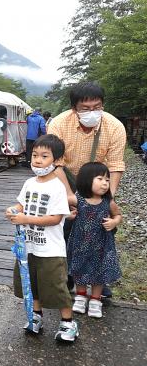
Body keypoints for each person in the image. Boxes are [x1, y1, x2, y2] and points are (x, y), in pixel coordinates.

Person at [48, 82, 126, 298]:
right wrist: (69, 195)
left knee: (102, 230)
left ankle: (99, 279)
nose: (92, 112)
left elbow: (116, 165)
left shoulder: (115, 126)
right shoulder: (59, 124)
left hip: (98, 181)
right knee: (66, 228)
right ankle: (69, 275)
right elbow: (55, 163)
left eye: (97, 106)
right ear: (74, 108)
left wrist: (107, 198)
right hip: (66, 177)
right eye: (85, 108)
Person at [5, 134, 78, 343]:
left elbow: (55, 219)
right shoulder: (29, 183)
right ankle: (36, 317)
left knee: (56, 288)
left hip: (51, 250)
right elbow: (20, 205)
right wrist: (12, 210)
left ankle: (68, 323)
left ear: (57, 161)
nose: (37, 160)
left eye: (44, 156)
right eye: (35, 155)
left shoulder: (57, 187)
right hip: (29, 246)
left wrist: (24, 217)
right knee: (32, 284)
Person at [67, 162, 122, 318]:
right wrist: (68, 213)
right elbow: (61, 202)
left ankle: (95, 300)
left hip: (101, 245)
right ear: (86, 180)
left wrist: (114, 222)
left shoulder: (108, 202)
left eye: (107, 179)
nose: (105, 183)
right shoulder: (78, 199)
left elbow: (118, 215)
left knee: (99, 272)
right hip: (80, 244)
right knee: (79, 269)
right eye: (100, 179)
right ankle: (81, 296)